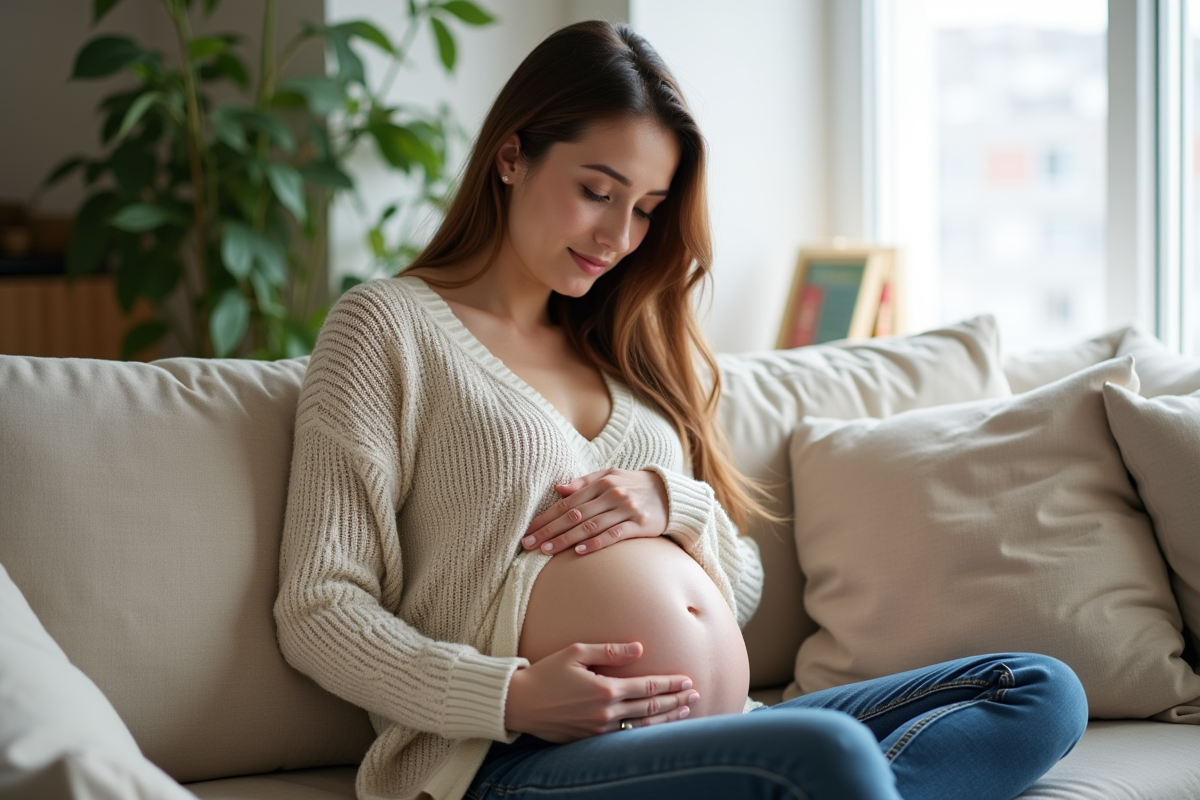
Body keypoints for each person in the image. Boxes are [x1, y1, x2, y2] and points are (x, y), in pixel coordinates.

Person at [274, 19, 1088, 800]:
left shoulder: (625, 350)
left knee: (1038, 690)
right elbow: (319, 607)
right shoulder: (389, 326)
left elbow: (737, 590)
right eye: (598, 191)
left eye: (646, 208)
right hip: (516, 759)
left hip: (731, 729)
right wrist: (510, 695)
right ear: (512, 156)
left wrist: (678, 505)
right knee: (827, 755)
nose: (619, 237)